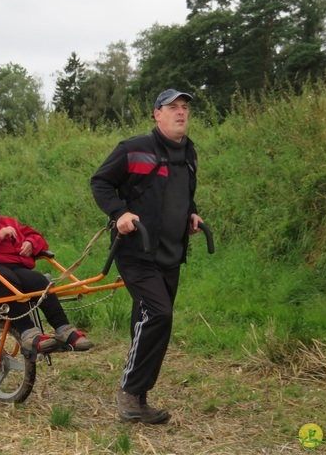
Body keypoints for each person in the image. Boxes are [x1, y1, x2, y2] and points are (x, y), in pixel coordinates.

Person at [90, 89, 205, 424]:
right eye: (173, 108)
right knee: (159, 315)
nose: (181, 113)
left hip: (171, 252)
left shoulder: (189, 153)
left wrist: (192, 215)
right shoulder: (133, 148)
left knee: (153, 323)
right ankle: (128, 391)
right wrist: (119, 213)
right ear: (157, 114)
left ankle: (139, 398)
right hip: (136, 251)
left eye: (184, 108)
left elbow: (183, 193)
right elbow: (100, 183)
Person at [0, 186, 93, 352]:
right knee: (7, 279)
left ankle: (64, 330)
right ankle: (28, 333)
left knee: (39, 280)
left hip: (10, 266)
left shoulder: (8, 223)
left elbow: (34, 235)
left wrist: (30, 243)